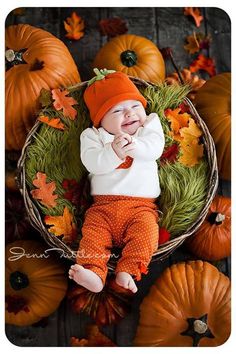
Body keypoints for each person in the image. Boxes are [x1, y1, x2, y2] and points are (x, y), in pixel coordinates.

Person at [69, 69, 165, 293]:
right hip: (103, 207)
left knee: (147, 234)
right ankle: (93, 272)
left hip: (142, 208)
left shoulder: (147, 128)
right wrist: (113, 151)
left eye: (135, 106)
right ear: (101, 119)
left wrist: (136, 146)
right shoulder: (93, 136)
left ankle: (127, 271)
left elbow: (155, 149)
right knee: (93, 236)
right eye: (118, 110)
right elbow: (92, 163)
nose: (130, 114)